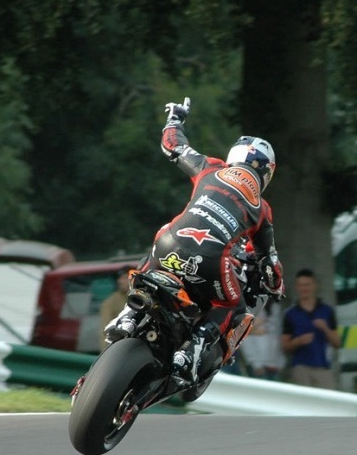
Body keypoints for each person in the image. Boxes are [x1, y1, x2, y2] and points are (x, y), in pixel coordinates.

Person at [105, 96, 284, 385]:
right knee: (232, 305)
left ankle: (127, 315)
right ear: (267, 172)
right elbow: (269, 263)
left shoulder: (210, 168)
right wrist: (276, 286)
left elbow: (173, 146)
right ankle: (192, 350)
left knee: (158, 247)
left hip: (168, 244)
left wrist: (175, 118)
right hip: (211, 263)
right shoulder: (261, 208)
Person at [281, 268, 341, 389]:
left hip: (323, 366)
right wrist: (298, 341)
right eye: (301, 285)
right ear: (297, 287)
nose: (304, 288)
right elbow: (285, 347)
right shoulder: (290, 314)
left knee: (328, 397)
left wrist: (325, 328)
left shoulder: (327, 311)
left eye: (307, 285)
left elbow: (337, 343)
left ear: (315, 286)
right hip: (300, 367)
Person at [240, 299, 285, 380]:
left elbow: (276, 331)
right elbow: (245, 339)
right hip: (257, 365)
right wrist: (256, 365)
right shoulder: (249, 308)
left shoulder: (274, 306)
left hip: (274, 365)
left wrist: (280, 363)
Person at [99, 269, 130, 351]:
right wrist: (106, 351)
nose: (122, 281)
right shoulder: (110, 302)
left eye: (127, 278)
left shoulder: (141, 299)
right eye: (123, 278)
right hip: (120, 347)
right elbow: (105, 330)